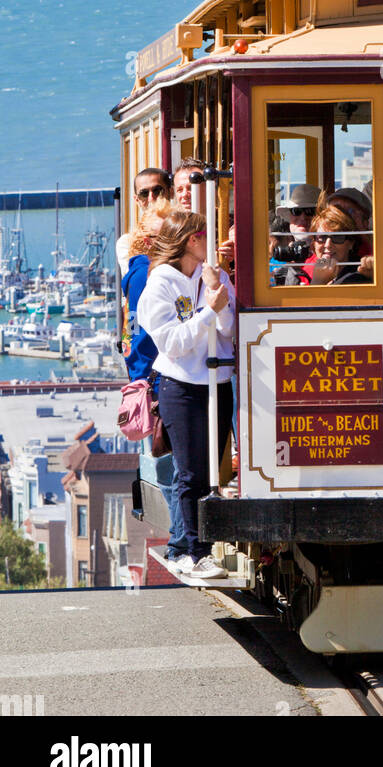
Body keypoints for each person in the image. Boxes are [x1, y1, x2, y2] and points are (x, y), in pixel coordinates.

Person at [137, 210, 236, 578]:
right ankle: (192, 551)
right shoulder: (160, 284)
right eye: (205, 233)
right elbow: (174, 344)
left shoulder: (215, 275)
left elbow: (231, 330)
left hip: (218, 382)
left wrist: (216, 297)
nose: (211, 240)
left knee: (212, 469)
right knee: (190, 472)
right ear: (191, 240)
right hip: (181, 386)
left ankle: (197, 548)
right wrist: (209, 310)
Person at [120, 200, 185, 566]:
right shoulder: (147, 273)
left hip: (147, 379)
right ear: (151, 239)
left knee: (167, 460)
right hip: (157, 381)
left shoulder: (137, 269)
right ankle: (179, 538)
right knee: (169, 462)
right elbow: (147, 335)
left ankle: (180, 536)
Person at [116, 167, 171, 275]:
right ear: (137, 200)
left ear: (170, 192)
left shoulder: (185, 229)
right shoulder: (126, 242)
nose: (151, 198)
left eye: (157, 191)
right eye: (144, 194)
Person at [299, 206, 373, 286]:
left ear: (351, 243)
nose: (328, 245)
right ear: (314, 242)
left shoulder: (357, 278)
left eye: (337, 237)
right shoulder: (303, 272)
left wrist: (318, 282)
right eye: (321, 237)